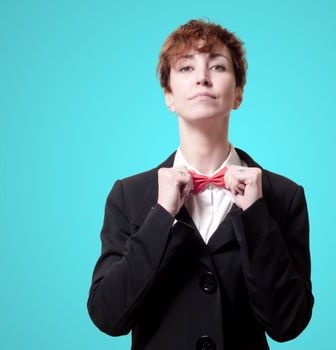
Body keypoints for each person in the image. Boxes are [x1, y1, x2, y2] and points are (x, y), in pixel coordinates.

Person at [87, 19, 314, 350]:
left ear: (238, 93)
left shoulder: (283, 196)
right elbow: (108, 316)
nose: (202, 77)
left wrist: (255, 214)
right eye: (186, 68)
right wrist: (161, 214)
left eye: (218, 66)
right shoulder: (129, 195)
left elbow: (288, 323)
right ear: (169, 95)